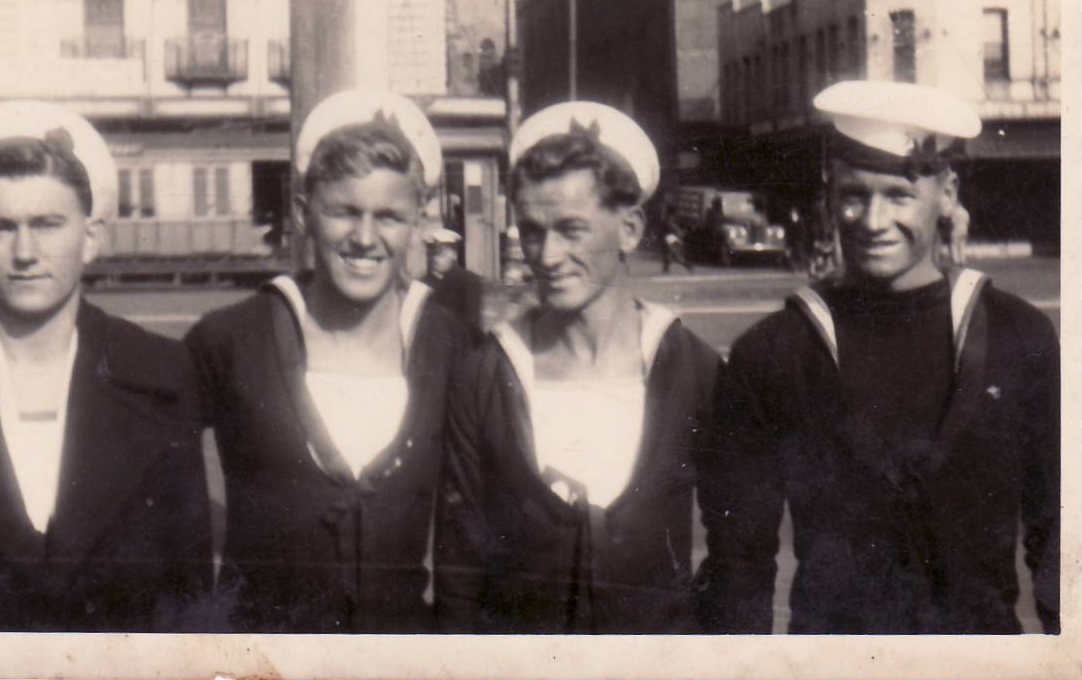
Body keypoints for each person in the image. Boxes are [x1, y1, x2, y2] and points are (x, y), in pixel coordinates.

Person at [696, 80, 1060, 634]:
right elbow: (738, 565)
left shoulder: (1018, 335)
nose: (871, 221)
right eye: (853, 194)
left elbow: (1059, 536)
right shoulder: (772, 352)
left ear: (947, 194)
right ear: (830, 196)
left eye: (898, 195)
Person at [0, 101, 212, 632]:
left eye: (48, 224)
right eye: (0, 227)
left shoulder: (162, 374)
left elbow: (187, 586)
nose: (25, 251)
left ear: (91, 238)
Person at [186, 89, 473, 633]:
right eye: (344, 212)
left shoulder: (452, 346)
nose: (365, 238)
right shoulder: (230, 339)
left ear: (416, 222)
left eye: (388, 216)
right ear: (303, 214)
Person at [435, 102, 722, 633]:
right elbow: (459, 563)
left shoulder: (693, 370)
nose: (546, 255)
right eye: (533, 231)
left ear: (630, 229)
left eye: (572, 230)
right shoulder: (485, 374)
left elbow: (735, 552)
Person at [424, 227, 487, 345]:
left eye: (440, 255)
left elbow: (471, 323)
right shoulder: (423, 284)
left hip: (460, 346)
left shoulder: (468, 281)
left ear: (454, 255)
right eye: (432, 255)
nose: (435, 259)